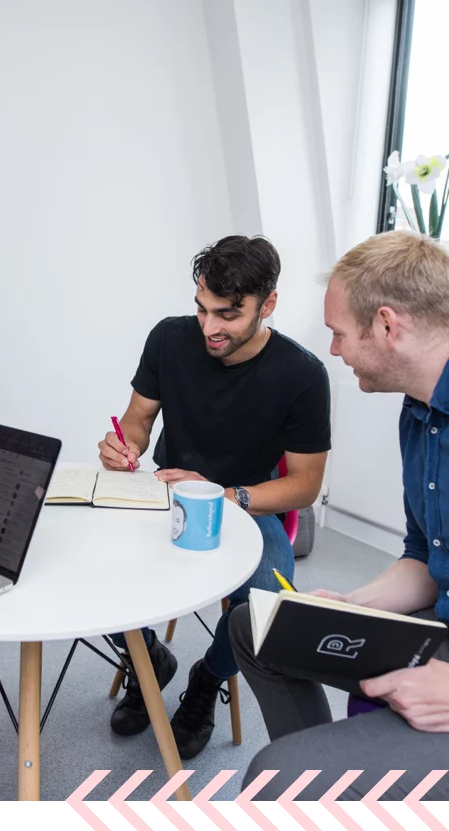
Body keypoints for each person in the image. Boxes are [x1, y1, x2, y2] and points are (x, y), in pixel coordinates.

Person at [229, 230, 449, 802]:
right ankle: (344, 786)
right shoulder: (420, 413)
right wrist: (349, 606)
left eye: (338, 334)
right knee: (257, 628)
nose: (333, 350)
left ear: (386, 325)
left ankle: (325, 784)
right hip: (438, 628)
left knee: (274, 775)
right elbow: (427, 558)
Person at [98, 235, 330, 758]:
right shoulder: (168, 339)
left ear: (267, 304)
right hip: (163, 494)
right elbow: (136, 422)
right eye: (201, 310)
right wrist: (123, 447)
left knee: (268, 605)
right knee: (89, 565)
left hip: (247, 507)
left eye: (227, 314)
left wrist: (225, 495)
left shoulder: (302, 374)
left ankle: (207, 678)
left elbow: (305, 484)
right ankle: (147, 659)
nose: (209, 328)